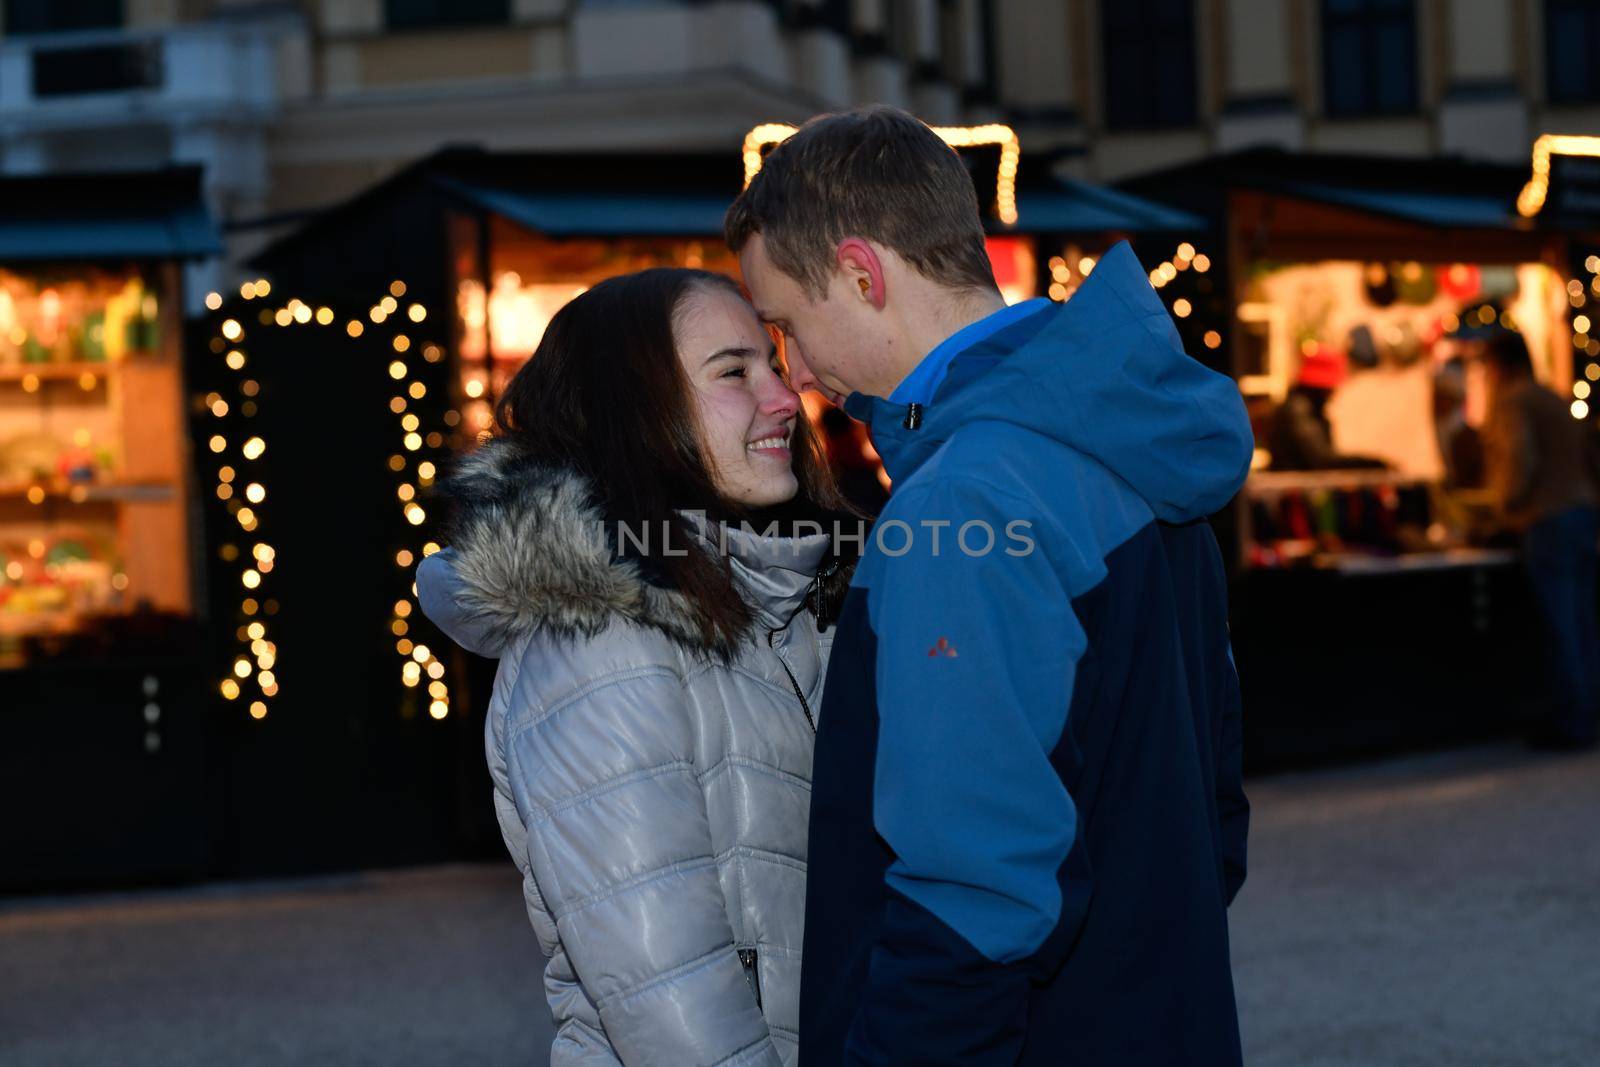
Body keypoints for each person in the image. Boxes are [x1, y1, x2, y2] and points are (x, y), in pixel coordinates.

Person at [726, 105, 1253, 1066]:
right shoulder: (1123, 431)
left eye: (788, 324)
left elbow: (969, 898)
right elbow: (1215, 806)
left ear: (862, 273)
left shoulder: (963, 501)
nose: (795, 369)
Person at [415, 268, 857, 1065]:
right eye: (734, 371)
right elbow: (669, 996)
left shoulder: (776, 598)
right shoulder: (601, 641)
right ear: (636, 411)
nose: (786, 399)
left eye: (774, 363)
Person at [1479, 328, 1600, 749]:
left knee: (1563, 623)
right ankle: (1585, 712)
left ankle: (1574, 720)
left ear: (1499, 365)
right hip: (1582, 511)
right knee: (1583, 621)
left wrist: (1505, 507)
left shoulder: (1515, 402)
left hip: (1549, 517)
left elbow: (1518, 458)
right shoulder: (1553, 397)